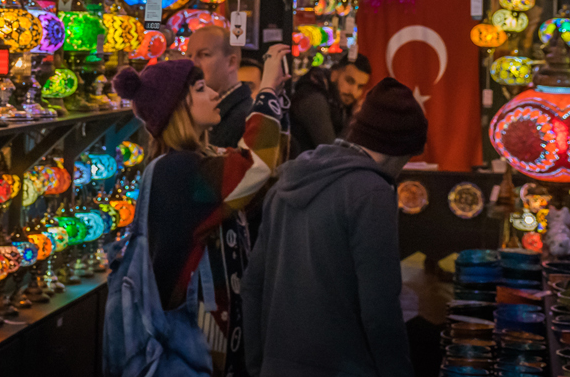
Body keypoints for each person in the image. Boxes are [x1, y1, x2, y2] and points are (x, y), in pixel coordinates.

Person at [104, 45, 291, 377]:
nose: (215, 93)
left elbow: (269, 164)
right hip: (191, 346)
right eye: (201, 88)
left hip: (208, 341)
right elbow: (255, 167)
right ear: (177, 106)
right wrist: (264, 93)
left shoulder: (199, 161)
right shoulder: (178, 171)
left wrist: (273, 95)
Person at [241, 78, 428, 377]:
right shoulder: (371, 192)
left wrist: (257, 364)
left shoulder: (285, 183)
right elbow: (380, 309)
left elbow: (252, 286)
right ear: (398, 150)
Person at [289, 54, 372, 155]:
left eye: (360, 87)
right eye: (349, 81)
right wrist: (355, 119)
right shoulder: (314, 100)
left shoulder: (338, 101)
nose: (353, 92)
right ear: (334, 74)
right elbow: (332, 153)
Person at [187, 25, 250, 148]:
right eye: (189, 56)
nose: (193, 63)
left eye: (204, 55)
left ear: (231, 62)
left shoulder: (247, 116)